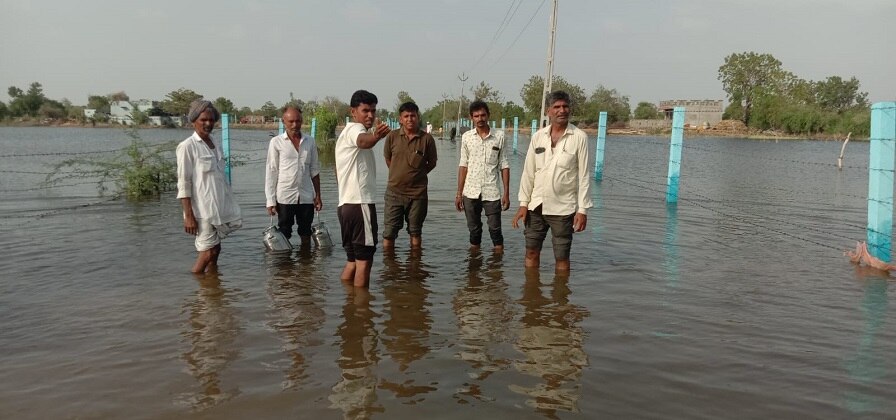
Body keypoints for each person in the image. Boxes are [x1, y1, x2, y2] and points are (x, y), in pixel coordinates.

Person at [511, 91, 592, 271]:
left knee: (562, 258)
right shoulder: (538, 137)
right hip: (536, 206)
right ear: (548, 111)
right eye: (557, 107)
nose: (561, 110)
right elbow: (528, 173)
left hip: (563, 208)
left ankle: (561, 297)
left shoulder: (579, 137)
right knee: (531, 252)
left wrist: (583, 209)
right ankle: (532, 295)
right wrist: (523, 203)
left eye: (565, 106)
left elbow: (584, 176)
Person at [176, 100, 242, 273]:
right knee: (207, 252)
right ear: (193, 120)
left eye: (211, 120)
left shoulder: (214, 143)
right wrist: (188, 216)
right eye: (203, 120)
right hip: (202, 210)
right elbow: (184, 183)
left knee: (216, 249)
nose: (208, 124)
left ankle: (213, 286)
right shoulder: (187, 147)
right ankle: (197, 290)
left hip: (218, 206)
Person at [335, 90, 391, 287]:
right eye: (365, 110)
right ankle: (361, 312)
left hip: (345, 206)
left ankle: (349, 303)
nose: (370, 115)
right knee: (364, 263)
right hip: (360, 205)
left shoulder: (344, 134)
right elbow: (363, 142)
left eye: (373, 111)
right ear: (353, 112)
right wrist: (376, 136)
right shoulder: (354, 130)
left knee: (353, 262)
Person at [455, 100, 510, 252]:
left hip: (492, 191)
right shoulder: (467, 137)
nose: (480, 119)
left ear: (488, 116)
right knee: (474, 230)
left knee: (495, 230)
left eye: (483, 115)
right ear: (471, 118)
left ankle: (497, 268)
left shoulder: (499, 136)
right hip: (470, 192)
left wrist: (506, 193)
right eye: (476, 116)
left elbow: (504, 165)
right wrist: (459, 194)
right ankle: (474, 267)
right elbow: (463, 165)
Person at [382, 102, 438, 250]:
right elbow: (388, 160)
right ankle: (390, 268)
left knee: (415, 232)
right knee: (389, 234)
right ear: (400, 119)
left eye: (412, 115)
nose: (409, 119)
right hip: (394, 192)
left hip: (418, 194)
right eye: (406, 116)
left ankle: (415, 267)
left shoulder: (427, 139)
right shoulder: (392, 137)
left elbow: (432, 163)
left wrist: (417, 174)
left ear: (417, 117)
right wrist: (399, 173)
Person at [264, 105, 322, 248]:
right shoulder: (276, 142)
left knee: (306, 232)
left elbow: (314, 170)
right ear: (284, 122)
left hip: (306, 196)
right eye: (291, 121)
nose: (295, 125)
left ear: (302, 121)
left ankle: (306, 264)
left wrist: (318, 195)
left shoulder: (310, 141)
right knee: (284, 233)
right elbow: (271, 171)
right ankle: (285, 268)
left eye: (298, 121)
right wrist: (270, 200)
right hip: (285, 196)